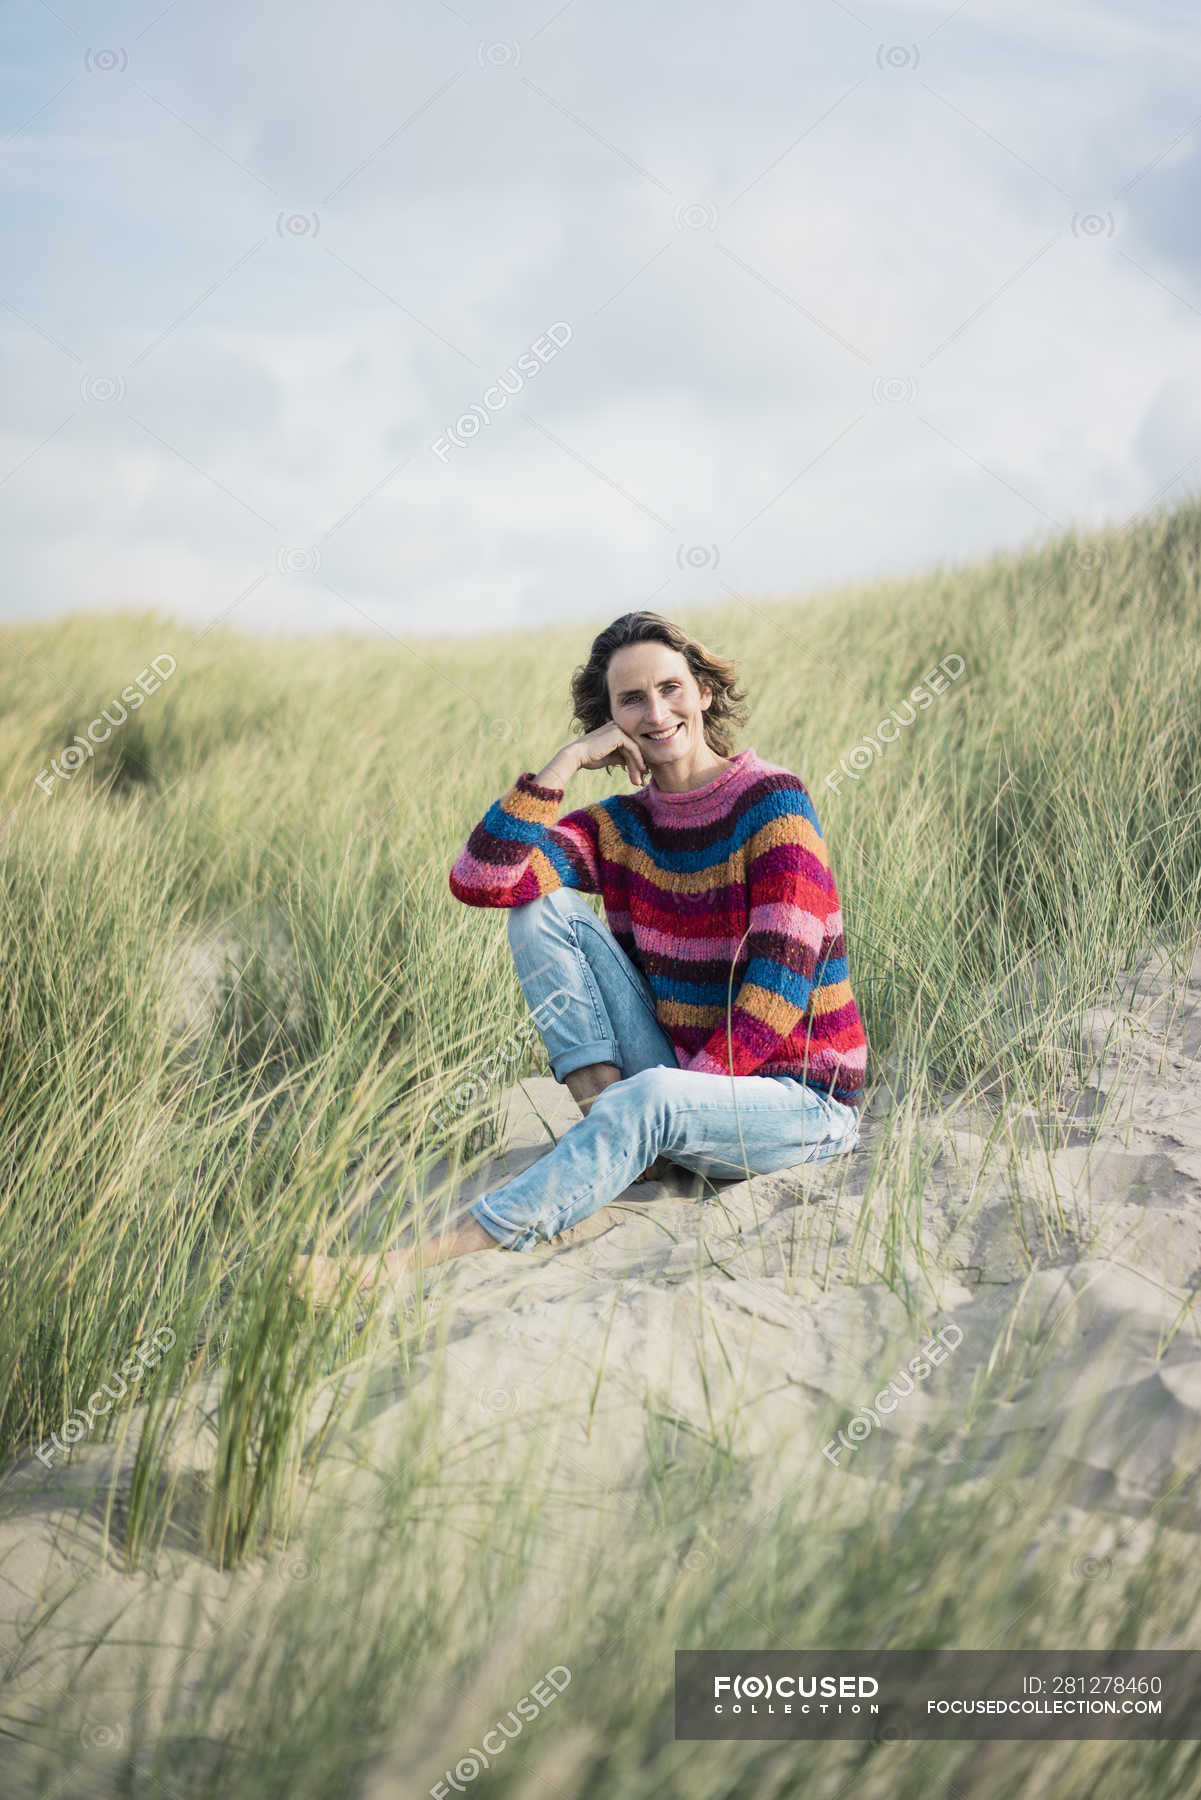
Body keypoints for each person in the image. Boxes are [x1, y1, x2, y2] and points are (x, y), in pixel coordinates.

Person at [291, 611, 867, 1304]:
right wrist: (564, 764)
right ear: (611, 719)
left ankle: (406, 1262)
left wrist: (678, 1099)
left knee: (654, 1098)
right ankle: (611, 1127)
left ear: (703, 693)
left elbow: (779, 985)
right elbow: (482, 881)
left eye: (670, 688)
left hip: (798, 1103)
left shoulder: (772, 802)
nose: (657, 712)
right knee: (538, 907)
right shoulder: (621, 824)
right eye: (632, 699)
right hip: (679, 1087)